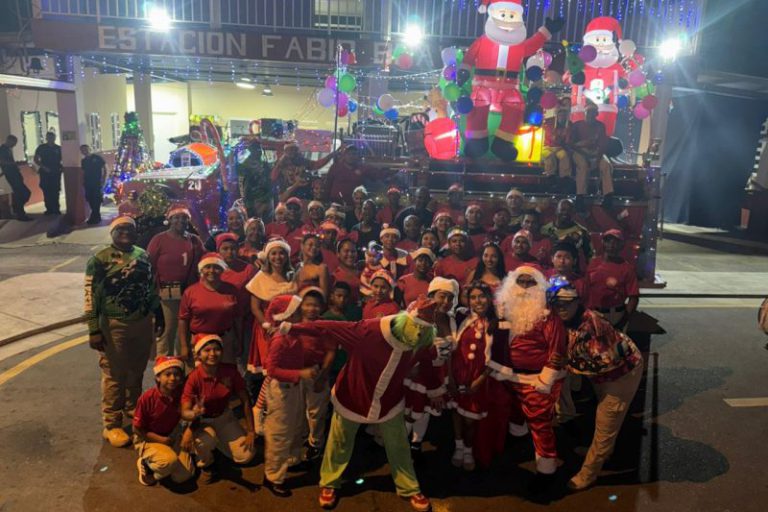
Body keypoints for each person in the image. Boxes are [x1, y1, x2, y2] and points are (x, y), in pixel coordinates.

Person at [278, 297, 442, 512]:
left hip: (389, 400)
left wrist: (435, 391)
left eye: (424, 330)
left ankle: (409, 487)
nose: (419, 334)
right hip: (352, 395)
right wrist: (292, 328)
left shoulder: (423, 340)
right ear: (405, 320)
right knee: (339, 441)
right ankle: (329, 483)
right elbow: (326, 327)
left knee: (399, 444)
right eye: (417, 327)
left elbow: (429, 364)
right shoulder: (369, 330)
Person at [548, 277, 644, 491]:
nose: (562, 308)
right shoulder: (567, 321)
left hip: (622, 373)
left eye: (567, 303)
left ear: (577, 302)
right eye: (557, 303)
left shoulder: (591, 325)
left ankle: (589, 473)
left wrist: (567, 363)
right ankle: (603, 451)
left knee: (606, 422)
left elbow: (603, 362)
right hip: (602, 373)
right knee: (603, 416)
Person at [491, 266, 567, 494]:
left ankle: (546, 470)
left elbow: (557, 349)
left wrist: (546, 378)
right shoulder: (503, 309)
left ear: (540, 286)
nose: (524, 288)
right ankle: (519, 442)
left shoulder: (548, 316)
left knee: (540, 423)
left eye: (530, 282)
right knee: (515, 413)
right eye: (520, 282)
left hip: (537, 380)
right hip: (509, 376)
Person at [85, 216, 159, 447]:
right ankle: (112, 423)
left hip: (142, 321)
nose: (125, 232)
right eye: (121, 228)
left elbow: (151, 287)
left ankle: (132, 407)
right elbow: (90, 295)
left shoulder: (143, 255)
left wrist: (157, 313)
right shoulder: (100, 259)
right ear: (112, 232)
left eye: (129, 228)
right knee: (114, 374)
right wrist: (94, 329)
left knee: (137, 369)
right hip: (114, 324)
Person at [262, 293, 320, 496]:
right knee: (279, 433)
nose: (301, 312)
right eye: (296, 311)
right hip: (282, 390)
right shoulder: (280, 339)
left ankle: (292, 460)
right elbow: (272, 370)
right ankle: (273, 476)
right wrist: (300, 373)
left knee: (295, 426)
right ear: (286, 315)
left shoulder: (292, 332)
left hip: (293, 387)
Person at [181, 334, 256, 483]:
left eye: (216, 349)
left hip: (224, 417)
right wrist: (192, 419)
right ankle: (206, 464)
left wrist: (251, 431)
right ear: (198, 355)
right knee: (204, 442)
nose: (212, 354)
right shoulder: (193, 377)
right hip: (201, 421)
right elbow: (185, 410)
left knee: (246, 455)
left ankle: (217, 445)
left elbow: (245, 400)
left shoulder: (230, 371)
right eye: (207, 350)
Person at [448, 281, 498, 471]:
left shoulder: (496, 323)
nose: (478, 301)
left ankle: (468, 449)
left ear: (489, 299)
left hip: (478, 377)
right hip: (458, 374)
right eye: (473, 297)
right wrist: (451, 378)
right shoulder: (462, 317)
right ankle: (458, 446)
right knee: (456, 413)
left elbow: (496, 357)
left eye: (482, 296)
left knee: (470, 418)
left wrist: (480, 380)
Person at [147, 205, 204, 357]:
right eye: (176, 217)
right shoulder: (159, 240)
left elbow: (204, 260)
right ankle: (164, 364)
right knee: (168, 330)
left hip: (190, 293)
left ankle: (182, 363)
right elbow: (149, 265)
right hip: (166, 293)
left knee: (185, 330)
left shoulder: (194, 240)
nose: (181, 220)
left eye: (184, 218)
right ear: (170, 219)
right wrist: (152, 292)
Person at [133, 356, 195, 486]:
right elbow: (137, 429)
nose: (172, 378)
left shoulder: (181, 395)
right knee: (168, 461)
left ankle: (166, 464)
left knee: (183, 476)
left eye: (176, 374)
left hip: (172, 436)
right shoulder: (147, 398)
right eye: (167, 374)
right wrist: (161, 440)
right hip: (148, 438)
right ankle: (146, 465)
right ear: (158, 377)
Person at [178, 252, 244, 366]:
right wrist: (184, 346)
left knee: (226, 373)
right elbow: (183, 320)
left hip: (225, 341)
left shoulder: (232, 290)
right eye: (207, 267)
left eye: (216, 267)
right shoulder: (190, 292)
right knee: (199, 375)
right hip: (198, 341)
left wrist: (239, 340)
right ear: (201, 270)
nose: (212, 271)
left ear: (222, 269)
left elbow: (238, 318)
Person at [245, 238, 297, 377]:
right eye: (273, 253)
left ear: (287, 256)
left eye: (281, 253)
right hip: (267, 328)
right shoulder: (260, 278)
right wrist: (268, 326)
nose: (278, 257)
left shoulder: (292, 277)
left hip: (287, 326)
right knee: (270, 367)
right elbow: (255, 308)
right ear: (267, 256)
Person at [585, 229, 639, 328]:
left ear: (621, 245)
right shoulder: (593, 263)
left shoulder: (627, 268)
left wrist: (624, 320)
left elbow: (634, 297)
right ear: (603, 243)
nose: (611, 244)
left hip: (614, 316)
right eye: (608, 241)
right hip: (593, 313)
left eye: (616, 242)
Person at [569, 102, 615, 210]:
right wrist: (583, 150)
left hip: (596, 152)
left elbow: (602, 144)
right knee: (583, 165)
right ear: (585, 113)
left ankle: (608, 196)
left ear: (596, 114)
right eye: (589, 112)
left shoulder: (600, 126)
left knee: (606, 165)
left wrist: (598, 159)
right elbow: (571, 143)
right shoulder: (577, 125)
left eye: (593, 112)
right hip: (579, 151)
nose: (591, 115)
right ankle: (580, 197)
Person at [541, 199, 593, 272]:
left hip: (572, 273)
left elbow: (590, 256)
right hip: (547, 272)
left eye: (569, 210)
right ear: (556, 211)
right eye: (562, 209)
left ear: (574, 212)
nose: (565, 212)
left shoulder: (582, 232)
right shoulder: (544, 230)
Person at [237, 139, 273, 219]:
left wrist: (266, 199)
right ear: (250, 151)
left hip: (264, 199)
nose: (257, 152)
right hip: (250, 200)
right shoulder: (244, 165)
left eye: (259, 149)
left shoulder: (265, 165)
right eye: (255, 149)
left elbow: (269, 183)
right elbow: (243, 184)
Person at [0, 135, 32, 221]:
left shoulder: (7, 149)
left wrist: (16, 164)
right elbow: (2, 161)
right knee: (23, 193)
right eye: (14, 143)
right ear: (9, 140)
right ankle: (19, 212)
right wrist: (14, 164)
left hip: (14, 174)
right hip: (12, 175)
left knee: (21, 193)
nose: (14, 145)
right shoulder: (2, 149)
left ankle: (18, 210)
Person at [542, 105, 572, 188]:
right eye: (560, 115)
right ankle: (550, 176)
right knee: (549, 156)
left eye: (564, 115)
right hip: (547, 146)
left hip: (560, 147)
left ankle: (565, 178)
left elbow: (567, 140)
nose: (562, 117)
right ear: (557, 115)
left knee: (564, 156)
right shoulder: (549, 122)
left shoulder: (569, 125)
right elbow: (550, 136)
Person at [34, 131, 63, 215]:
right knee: (46, 190)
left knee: (55, 190)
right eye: (49, 137)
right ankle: (49, 209)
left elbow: (63, 159)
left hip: (56, 172)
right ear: (46, 138)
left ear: (55, 138)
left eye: (52, 137)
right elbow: (36, 159)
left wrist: (61, 168)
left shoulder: (58, 148)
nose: (51, 139)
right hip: (45, 172)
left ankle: (56, 209)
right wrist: (43, 167)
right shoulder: (41, 147)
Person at [294, 232, 330, 297]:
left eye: (317, 246)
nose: (314, 248)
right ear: (302, 246)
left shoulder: (321, 268)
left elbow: (324, 295)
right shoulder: (298, 266)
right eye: (310, 244)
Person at [80, 144, 106, 225]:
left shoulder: (97, 158)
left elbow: (105, 168)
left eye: (86, 149)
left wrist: (104, 179)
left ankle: (93, 217)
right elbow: (83, 172)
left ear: (89, 149)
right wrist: (82, 182)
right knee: (90, 199)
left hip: (97, 182)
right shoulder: (83, 161)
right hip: (87, 183)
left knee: (97, 199)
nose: (84, 151)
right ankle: (97, 217)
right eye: (82, 150)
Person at [332, 238, 362, 306]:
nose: (350, 254)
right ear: (338, 254)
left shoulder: (363, 271)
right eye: (346, 251)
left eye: (353, 251)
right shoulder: (334, 276)